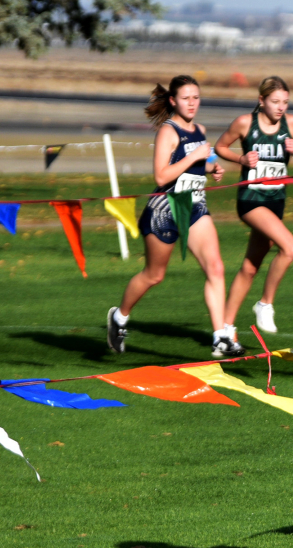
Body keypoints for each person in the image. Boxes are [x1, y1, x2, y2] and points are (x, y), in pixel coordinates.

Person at [107, 75, 242, 358]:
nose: (192, 103)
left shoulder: (200, 130)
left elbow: (193, 168)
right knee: (154, 275)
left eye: (196, 97)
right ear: (173, 100)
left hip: (194, 207)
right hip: (165, 210)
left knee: (216, 268)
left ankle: (220, 338)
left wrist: (209, 169)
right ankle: (119, 317)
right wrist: (195, 159)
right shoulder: (168, 132)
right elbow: (161, 175)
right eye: (185, 98)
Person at [214, 76, 293, 337]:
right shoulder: (245, 123)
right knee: (290, 248)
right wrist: (241, 158)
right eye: (275, 101)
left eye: (285, 102)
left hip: (276, 201)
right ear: (262, 100)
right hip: (251, 200)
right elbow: (220, 146)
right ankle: (265, 304)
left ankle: (225, 327)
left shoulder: (292, 124)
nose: (281, 107)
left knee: (250, 266)